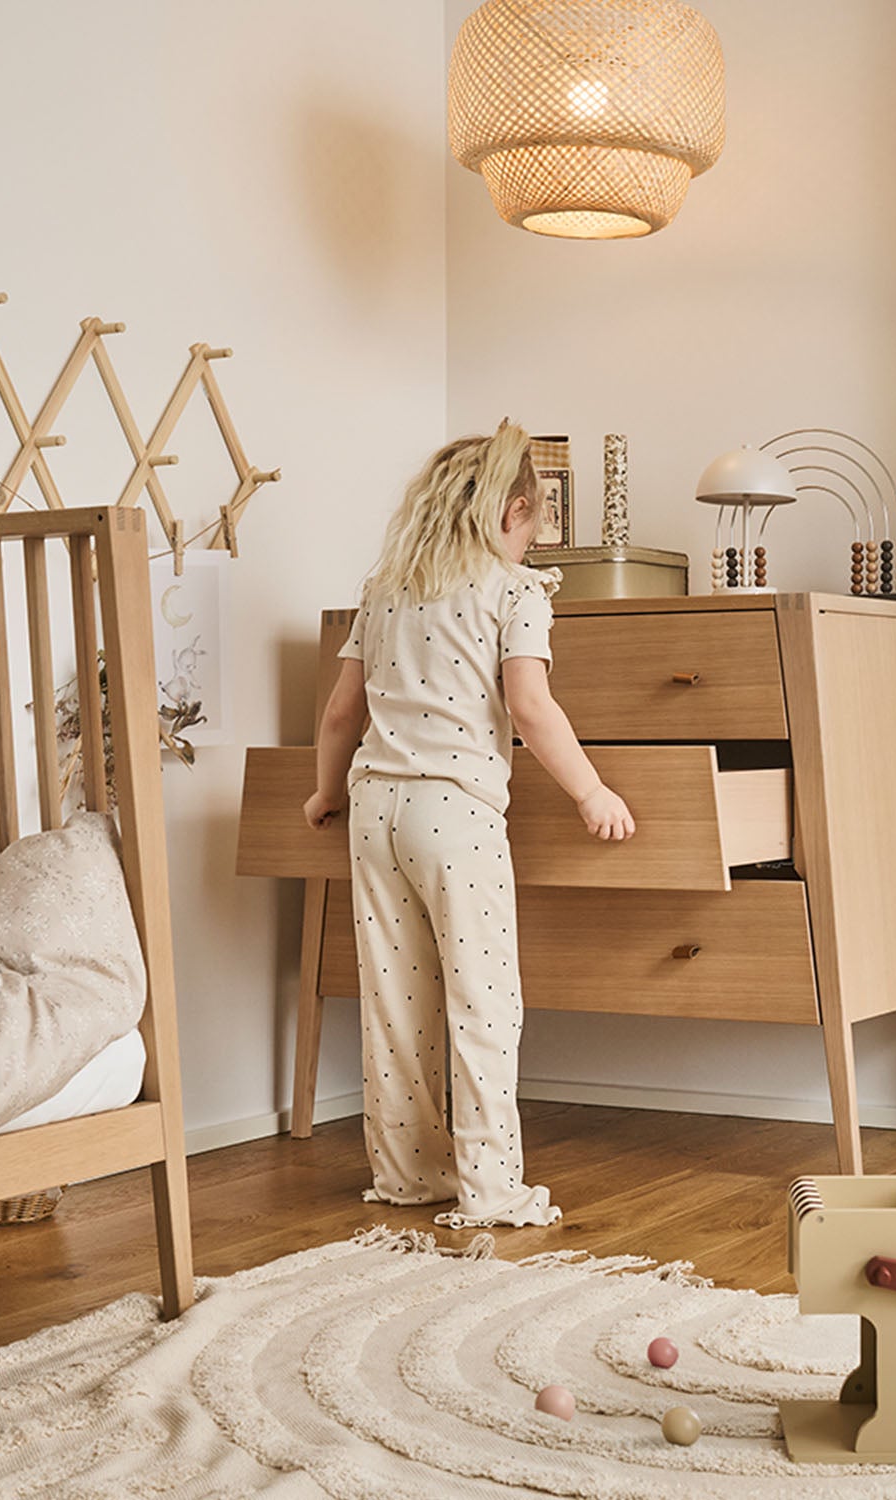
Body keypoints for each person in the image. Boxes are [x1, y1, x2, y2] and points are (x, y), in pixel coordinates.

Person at [303, 421, 634, 1228]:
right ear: (514, 510)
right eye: (535, 524)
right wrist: (591, 792)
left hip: (374, 810)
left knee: (395, 1002)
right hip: (454, 814)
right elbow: (530, 705)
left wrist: (322, 793)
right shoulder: (513, 592)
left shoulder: (384, 588)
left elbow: (341, 710)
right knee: (482, 1001)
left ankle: (410, 1175)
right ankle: (490, 1189)